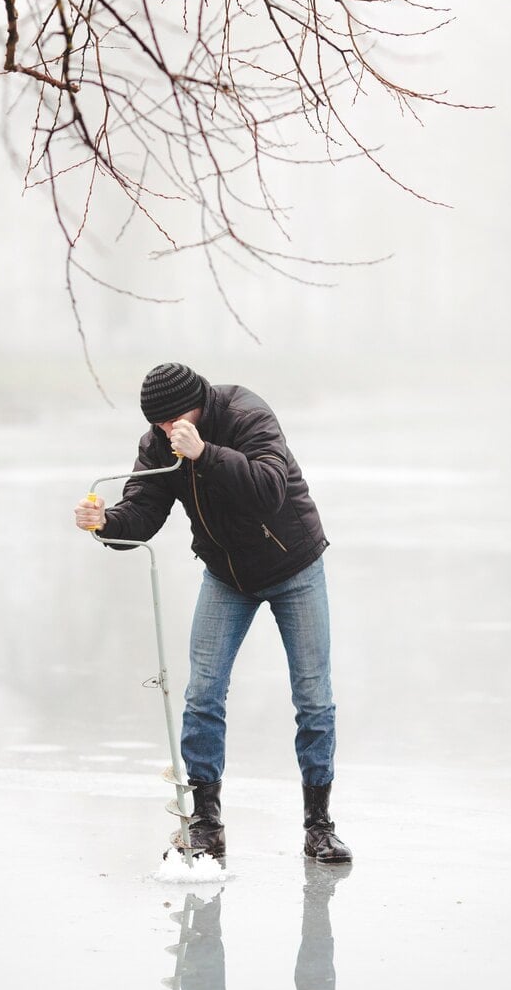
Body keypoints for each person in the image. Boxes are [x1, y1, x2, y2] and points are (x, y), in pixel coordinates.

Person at [74, 363, 351, 865]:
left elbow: (270, 489)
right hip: (226, 577)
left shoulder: (247, 414)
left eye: (173, 421)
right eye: (157, 425)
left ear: (198, 405)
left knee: (313, 696)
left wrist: (204, 454)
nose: (166, 433)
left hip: (295, 567)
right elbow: (142, 514)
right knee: (202, 693)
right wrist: (104, 522)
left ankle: (319, 826)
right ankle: (205, 822)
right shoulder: (159, 444)